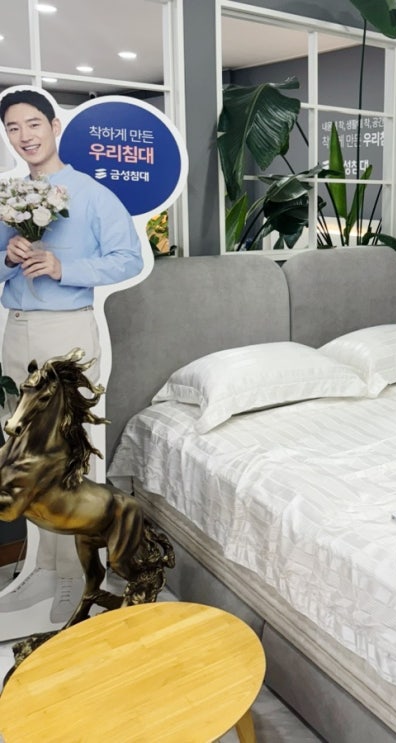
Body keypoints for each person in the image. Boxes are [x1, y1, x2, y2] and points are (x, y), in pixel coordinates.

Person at [0, 87, 143, 628]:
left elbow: (128, 258)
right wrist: (7, 257)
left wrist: (65, 267)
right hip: (16, 330)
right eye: (13, 128)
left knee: (65, 459)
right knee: (22, 454)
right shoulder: (9, 195)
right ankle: (41, 569)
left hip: (68, 334)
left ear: (54, 126)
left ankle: (73, 577)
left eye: (33, 124)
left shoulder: (92, 193)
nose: (25, 136)